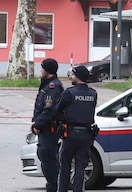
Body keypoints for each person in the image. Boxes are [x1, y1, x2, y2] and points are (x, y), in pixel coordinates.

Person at [55, 65, 98, 192]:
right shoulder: (93, 94)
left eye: (72, 75)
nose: (70, 77)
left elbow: (57, 109)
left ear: (77, 76)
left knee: (65, 166)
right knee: (80, 167)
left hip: (70, 134)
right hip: (86, 135)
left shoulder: (69, 92)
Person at [32, 58, 64, 192]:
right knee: (45, 157)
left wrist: (38, 124)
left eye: (42, 67)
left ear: (48, 70)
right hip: (44, 128)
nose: (40, 70)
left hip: (49, 129)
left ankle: (54, 187)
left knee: (48, 158)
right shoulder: (47, 84)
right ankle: (53, 186)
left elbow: (49, 110)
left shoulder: (53, 87)